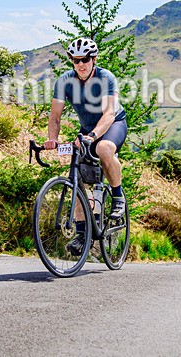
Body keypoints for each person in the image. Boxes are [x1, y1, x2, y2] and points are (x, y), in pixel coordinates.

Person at [44, 37, 128, 255]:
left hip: (112, 124)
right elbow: (55, 117)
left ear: (94, 59)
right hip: (87, 129)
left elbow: (109, 113)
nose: (81, 64)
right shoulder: (64, 81)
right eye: (75, 60)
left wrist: (92, 136)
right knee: (77, 178)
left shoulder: (105, 78)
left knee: (104, 149)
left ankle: (118, 197)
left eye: (85, 59)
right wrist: (53, 138)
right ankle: (83, 234)